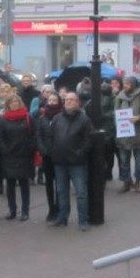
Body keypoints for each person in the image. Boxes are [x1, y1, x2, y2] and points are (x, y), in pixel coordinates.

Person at [47, 92, 94, 230]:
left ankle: (83, 221)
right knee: (61, 191)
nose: (68, 102)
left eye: (71, 100)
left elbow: (89, 139)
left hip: (77, 162)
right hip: (59, 161)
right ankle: (62, 218)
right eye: (66, 99)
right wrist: (52, 150)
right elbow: (51, 136)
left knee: (81, 192)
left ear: (78, 102)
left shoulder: (84, 119)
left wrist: (80, 153)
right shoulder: (57, 118)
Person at [0, 94, 35, 221]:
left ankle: (25, 211)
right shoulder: (3, 120)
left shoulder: (27, 117)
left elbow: (33, 134)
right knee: (10, 184)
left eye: (16, 102)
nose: (14, 104)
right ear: (7, 104)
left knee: (24, 184)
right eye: (12, 102)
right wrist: (5, 150)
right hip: (9, 156)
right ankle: (12, 210)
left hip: (24, 155)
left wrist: (29, 148)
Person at [113, 76, 140, 194]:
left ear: (134, 85)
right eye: (124, 83)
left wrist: (139, 118)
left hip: (138, 136)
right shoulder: (119, 97)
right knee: (124, 161)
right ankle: (126, 182)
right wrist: (119, 124)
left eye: (128, 83)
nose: (125, 86)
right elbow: (116, 114)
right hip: (124, 136)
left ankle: (138, 182)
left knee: (139, 161)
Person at [36, 92, 62, 222]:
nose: (51, 102)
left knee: (60, 183)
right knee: (49, 183)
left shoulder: (62, 116)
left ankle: (59, 207)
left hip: (59, 154)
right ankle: (51, 207)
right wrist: (42, 149)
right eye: (50, 100)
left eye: (54, 100)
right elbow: (38, 135)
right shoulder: (43, 118)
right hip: (47, 154)